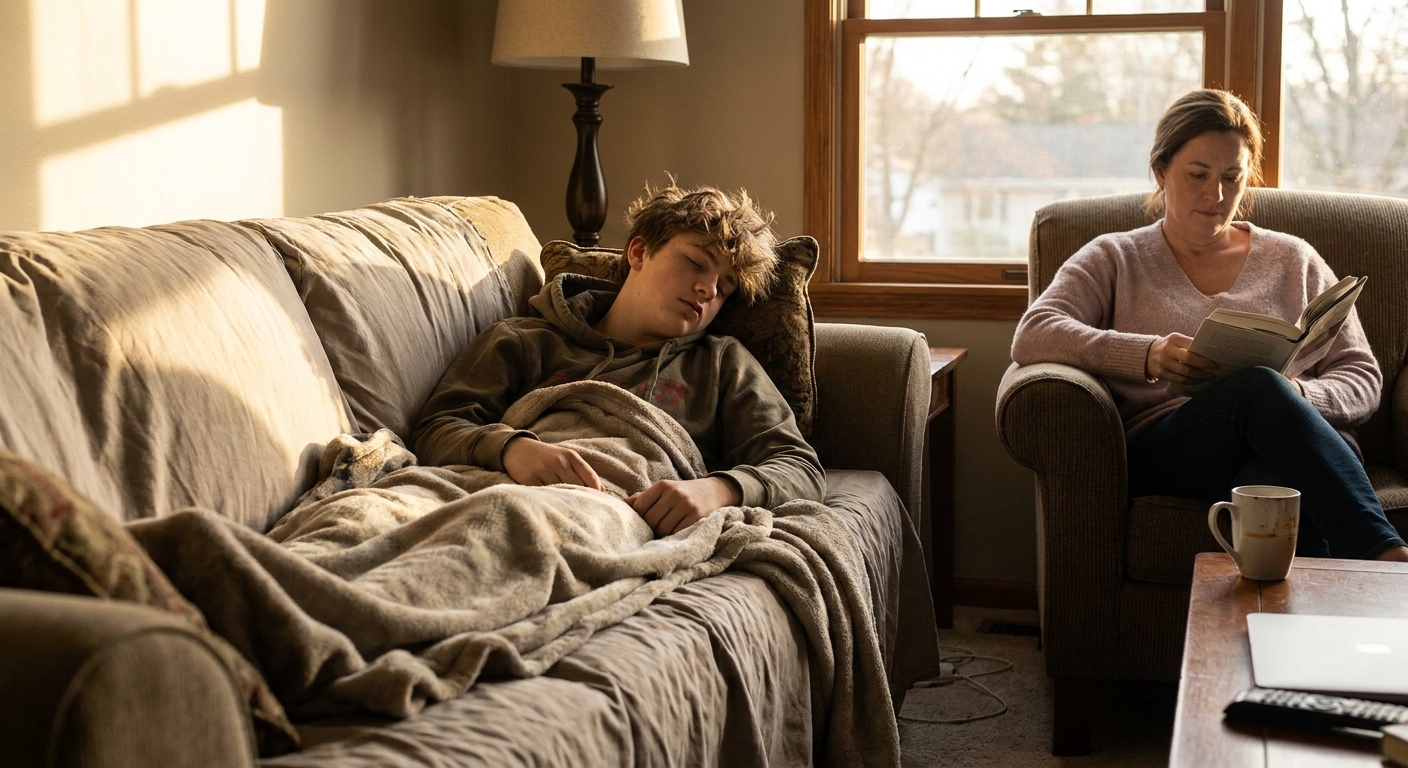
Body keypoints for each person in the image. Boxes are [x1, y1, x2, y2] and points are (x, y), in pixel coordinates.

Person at [1010, 88, 1408, 561]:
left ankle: (1304, 608)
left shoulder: (1292, 259)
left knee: (1272, 483)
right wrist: (1147, 355)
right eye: (1197, 174)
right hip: (1176, 450)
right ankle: (1386, 554)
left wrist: (1297, 396)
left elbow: (1362, 378)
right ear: (1160, 171)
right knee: (1257, 387)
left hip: (1301, 449)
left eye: (1231, 178)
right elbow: (1035, 331)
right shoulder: (1114, 257)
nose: (1215, 195)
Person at [412, 182, 825, 537]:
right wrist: (512, 449)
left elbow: (800, 467)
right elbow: (436, 428)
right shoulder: (524, 339)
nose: (708, 289)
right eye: (696, 263)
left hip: (612, 518)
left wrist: (718, 490)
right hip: (494, 492)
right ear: (639, 252)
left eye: (725, 287)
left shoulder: (722, 363)